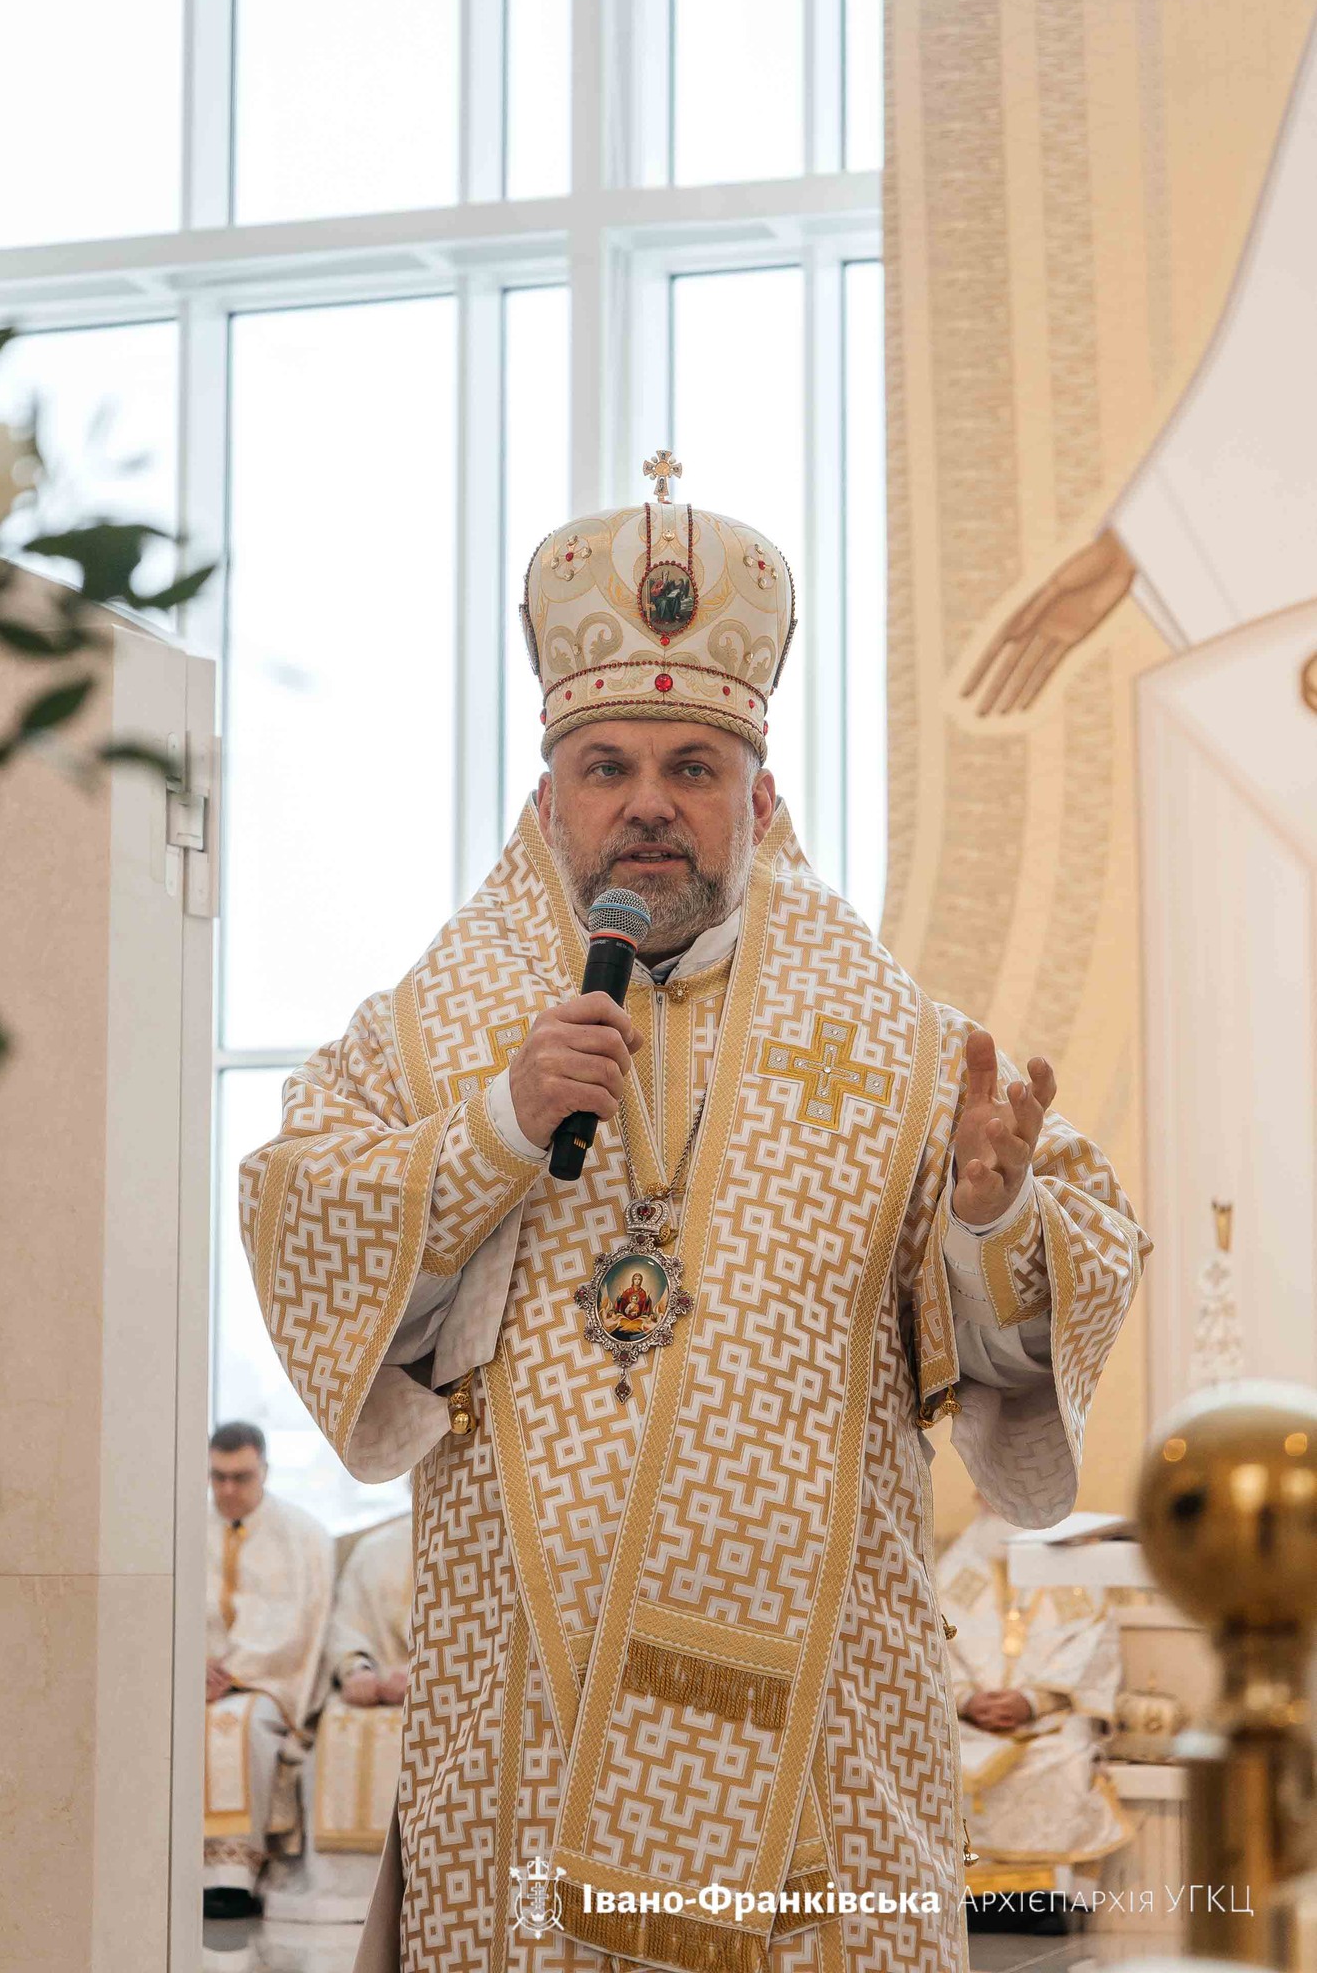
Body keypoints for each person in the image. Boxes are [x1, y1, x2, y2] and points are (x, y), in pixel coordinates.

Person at [239, 465, 1149, 1972]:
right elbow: (302, 1223)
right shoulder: (422, 1044)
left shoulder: (911, 1054)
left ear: (759, 799)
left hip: (822, 1731)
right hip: (524, 1727)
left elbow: (1025, 1339)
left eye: (692, 765)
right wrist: (494, 1128)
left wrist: (993, 1227)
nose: (648, 802)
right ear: (548, 800)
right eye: (605, 766)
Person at [940, 1503, 1129, 1914]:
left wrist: (1030, 1701)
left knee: (1066, 1758)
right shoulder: (955, 1568)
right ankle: (962, 1901)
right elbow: (932, 1638)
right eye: (991, 1496)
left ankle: (1055, 1903)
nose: (1001, 1507)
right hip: (966, 1719)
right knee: (939, 1758)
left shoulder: (1074, 1566)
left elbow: (1093, 1642)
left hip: (1048, 1718)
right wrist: (966, 1699)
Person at [204, 1421, 333, 1919]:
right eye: (217, 1477)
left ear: (265, 1471)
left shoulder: (301, 1535)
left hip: (264, 1683)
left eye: (241, 1477)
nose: (227, 1490)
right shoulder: (182, 1527)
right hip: (187, 1677)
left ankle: (230, 1878)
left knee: (234, 1724)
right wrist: (188, 1666)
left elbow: (300, 1626)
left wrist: (230, 1674)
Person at [309, 1514, 414, 1862]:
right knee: (335, 1732)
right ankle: (340, 1886)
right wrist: (356, 1668)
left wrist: (424, 1677)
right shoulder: (375, 1548)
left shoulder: (488, 1541)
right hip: (375, 1684)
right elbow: (347, 1625)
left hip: (450, 1694)